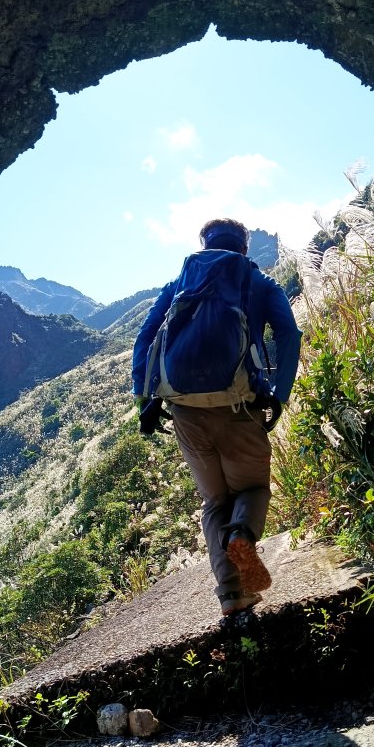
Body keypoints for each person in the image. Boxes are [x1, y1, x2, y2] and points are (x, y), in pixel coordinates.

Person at [132, 218, 302, 617]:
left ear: (203, 244)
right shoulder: (258, 282)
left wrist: (145, 398)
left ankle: (232, 593)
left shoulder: (180, 284)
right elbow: (288, 334)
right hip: (239, 408)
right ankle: (242, 534)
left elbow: (145, 337)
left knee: (214, 502)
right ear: (244, 246)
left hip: (185, 412)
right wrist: (280, 393)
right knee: (253, 491)